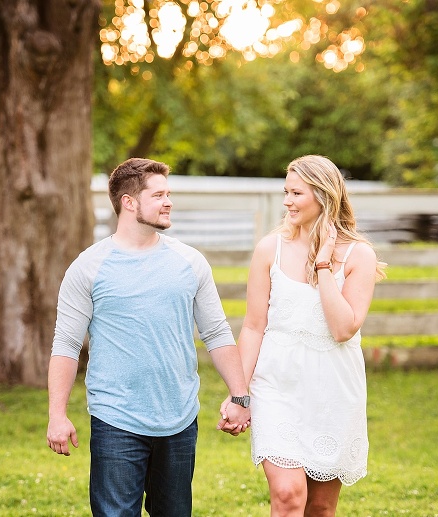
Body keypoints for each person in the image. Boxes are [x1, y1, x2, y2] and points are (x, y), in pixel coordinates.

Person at [46, 157, 251, 517]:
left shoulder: (190, 262)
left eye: (168, 193)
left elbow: (216, 331)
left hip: (179, 418)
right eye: (158, 195)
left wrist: (240, 397)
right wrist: (56, 414)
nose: (168, 201)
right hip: (116, 419)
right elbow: (65, 343)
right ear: (129, 202)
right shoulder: (89, 267)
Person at [232, 155, 386, 516]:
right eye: (286, 192)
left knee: (320, 507)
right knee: (287, 495)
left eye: (296, 193)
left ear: (323, 195)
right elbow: (254, 326)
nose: (287, 201)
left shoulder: (358, 255)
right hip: (277, 386)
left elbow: (343, 328)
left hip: (332, 390)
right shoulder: (270, 249)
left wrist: (323, 264)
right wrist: (239, 394)